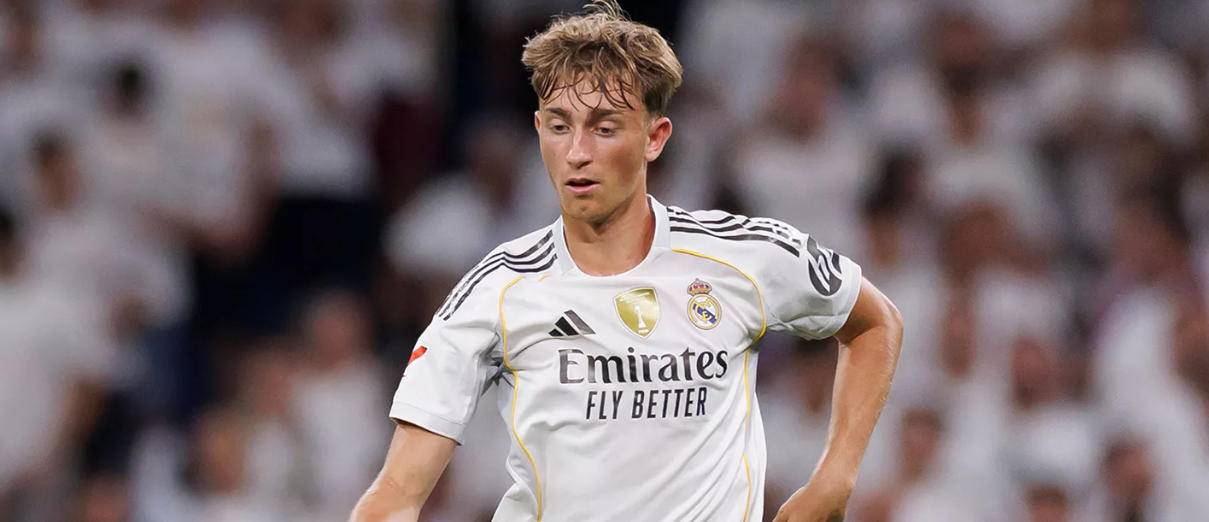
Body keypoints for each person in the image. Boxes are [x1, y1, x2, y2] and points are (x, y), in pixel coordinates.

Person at [351, 2, 903, 521]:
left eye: (604, 127)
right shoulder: (498, 287)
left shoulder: (742, 257)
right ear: (539, 132)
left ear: (654, 138)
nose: (577, 152)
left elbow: (876, 322)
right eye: (560, 126)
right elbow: (397, 493)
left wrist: (834, 480)